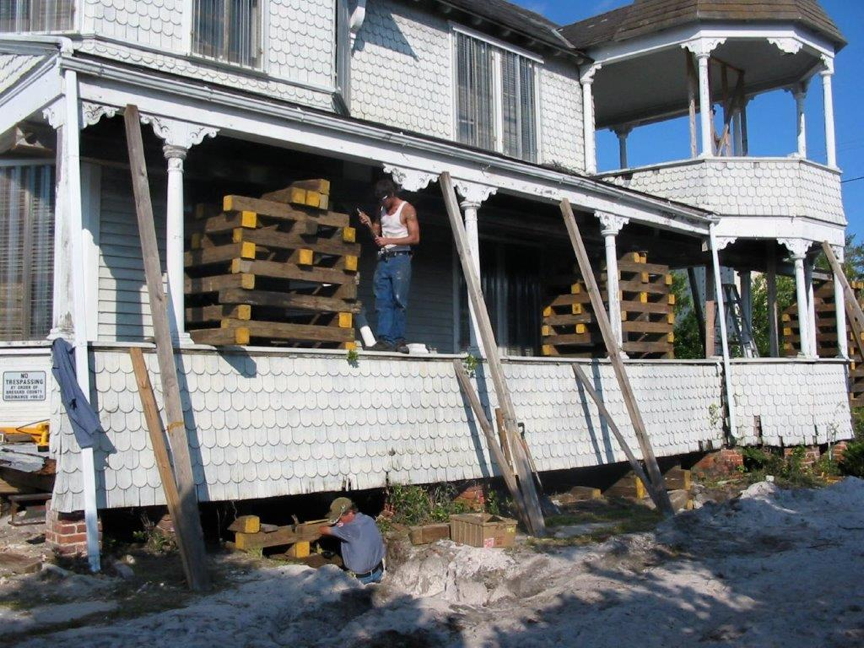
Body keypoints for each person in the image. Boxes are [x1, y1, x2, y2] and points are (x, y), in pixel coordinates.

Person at [357, 178, 420, 353]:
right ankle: (385, 339)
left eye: (385, 198)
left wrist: (389, 240)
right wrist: (369, 223)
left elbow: (415, 238)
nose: (383, 202)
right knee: (382, 299)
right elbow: (376, 235)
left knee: (398, 300)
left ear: (392, 194)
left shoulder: (406, 209)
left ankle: (399, 340)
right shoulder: (381, 209)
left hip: (401, 258)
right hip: (384, 258)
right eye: (380, 199)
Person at [319, 497, 386, 584]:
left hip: (361, 579)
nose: (338, 520)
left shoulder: (347, 529)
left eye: (340, 518)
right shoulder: (368, 519)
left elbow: (322, 530)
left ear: (350, 512)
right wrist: (341, 523)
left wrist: (337, 525)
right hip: (378, 571)